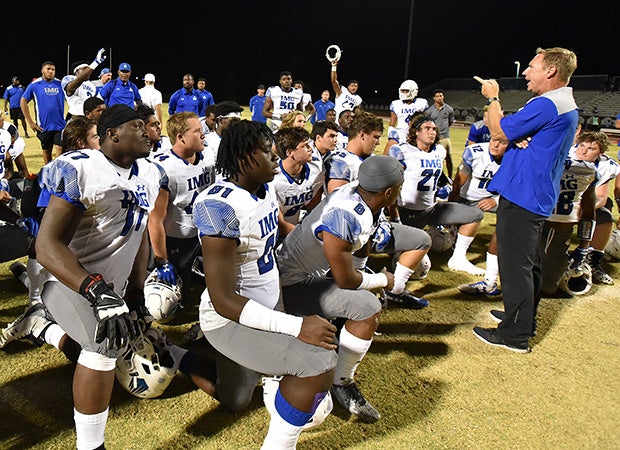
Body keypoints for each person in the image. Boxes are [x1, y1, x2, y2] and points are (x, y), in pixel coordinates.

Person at [192, 119, 338, 448]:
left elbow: (275, 230)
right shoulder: (219, 206)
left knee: (247, 394)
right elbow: (223, 300)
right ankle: (176, 356)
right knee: (240, 398)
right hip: (230, 319)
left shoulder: (264, 187)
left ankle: (274, 376)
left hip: (268, 301)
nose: (275, 159)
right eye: (266, 152)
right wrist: (295, 325)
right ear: (245, 157)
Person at [32, 104, 166, 449]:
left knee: (132, 334)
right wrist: (95, 289)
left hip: (109, 288)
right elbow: (46, 246)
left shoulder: (150, 174)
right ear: (112, 134)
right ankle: (90, 446)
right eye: (139, 126)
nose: (149, 131)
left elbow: (137, 238)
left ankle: (40, 328)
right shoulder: (83, 168)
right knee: (105, 344)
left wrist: (135, 292)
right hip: (66, 279)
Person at [277, 155, 422, 423]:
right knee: (368, 308)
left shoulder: (364, 194)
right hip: (290, 284)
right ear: (389, 191)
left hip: (314, 273)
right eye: (399, 188)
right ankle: (341, 381)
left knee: (363, 294)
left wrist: (364, 273)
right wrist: (381, 280)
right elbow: (345, 280)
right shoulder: (344, 214)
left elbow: (362, 242)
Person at [472, 47, 579, 353]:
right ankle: (523, 318)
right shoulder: (561, 103)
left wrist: (493, 98)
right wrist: (515, 134)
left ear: (550, 71)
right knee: (528, 263)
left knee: (515, 266)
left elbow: (497, 130)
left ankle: (514, 335)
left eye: (532, 67)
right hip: (535, 192)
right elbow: (516, 134)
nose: (526, 72)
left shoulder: (548, 104)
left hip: (524, 195)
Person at [324, 111, 431, 309]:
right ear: (362, 134)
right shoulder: (341, 162)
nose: (378, 142)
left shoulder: (371, 159)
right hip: (353, 232)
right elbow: (338, 205)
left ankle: (395, 291)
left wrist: (395, 219)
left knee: (422, 245)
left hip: (377, 226)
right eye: (375, 137)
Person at [387, 112, 485, 276]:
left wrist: (443, 187)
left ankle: (458, 258)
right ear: (416, 132)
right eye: (427, 128)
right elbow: (391, 187)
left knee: (474, 214)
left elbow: (437, 176)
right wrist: (395, 218)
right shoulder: (402, 151)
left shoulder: (439, 151)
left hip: (431, 210)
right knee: (419, 267)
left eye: (434, 129)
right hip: (407, 213)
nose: (432, 131)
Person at [148, 111, 215, 304]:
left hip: (205, 233)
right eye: (196, 131)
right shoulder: (165, 168)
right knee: (175, 299)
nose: (203, 135)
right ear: (180, 137)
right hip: (177, 240)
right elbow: (155, 219)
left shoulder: (208, 156)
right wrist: (161, 259)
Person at [569, 131, 619, 285]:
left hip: (583, 203)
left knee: (604, 215)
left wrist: (582, 209)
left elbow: (601, 198)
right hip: (560, 202)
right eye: (582, 145)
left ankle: (593, 261)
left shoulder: (605, 165)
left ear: (601, 153)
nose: (583, 151)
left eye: (591, 149)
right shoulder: (566, 155)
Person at [272, 127, 323, 226]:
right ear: (290, 153)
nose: (310, 149)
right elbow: (280, 224)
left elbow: (314, 202)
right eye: (305, 146)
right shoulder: (273, 178)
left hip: (295, 226)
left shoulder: (316, 169)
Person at [20, 60, 66, 164]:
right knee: (47, 151)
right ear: (42, 71)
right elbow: (23, 101)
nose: (51, 72)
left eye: (53, 69)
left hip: (60, 125)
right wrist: (31, 122)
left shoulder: (60, 84)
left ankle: (57, 171)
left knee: (60, 149)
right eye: (48, 69)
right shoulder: (35, 85)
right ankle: (48, 172)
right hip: (44, 126)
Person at [382, 79, 428, 154]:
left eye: (406, 91)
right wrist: (391, 132)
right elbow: (392, 122)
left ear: (414, 91)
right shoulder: (396, 104)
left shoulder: (421, 103)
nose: (404, 93)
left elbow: (425, 120)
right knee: (386, 154)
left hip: (415, 133)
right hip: (400, 133)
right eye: (402, 91)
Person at [61, 48, 107, 119]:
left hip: (89, 117)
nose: (89, 71)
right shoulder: (69, 78)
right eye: (85, 69)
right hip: (76, 117)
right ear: (77, 71)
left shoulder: (91, 85)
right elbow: (72, 87)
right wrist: (95, 63)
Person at [203, 101, 243, 171]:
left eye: (238, 121)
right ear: (220, 120)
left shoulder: (242, 141)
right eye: (233, 121)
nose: (237, 124)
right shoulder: (208, 142)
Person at [425, 89, 455, 177]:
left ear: (443, 97)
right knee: (436, 159)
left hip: (445, 137)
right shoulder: (429, 111)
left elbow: (450, 121)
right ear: (434, 98)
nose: (439, 98)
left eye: (441, 96)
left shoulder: (449, 109)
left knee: (449, 158)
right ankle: (438, 177)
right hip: (434, 138)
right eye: (437, 96)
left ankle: (450, 177)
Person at [329, 55, 362, 125]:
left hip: (347, 122)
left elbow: (357, 111)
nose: (354, 87)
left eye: (355, 86)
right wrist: (334, 67)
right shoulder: (342, 91)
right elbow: (334, 81)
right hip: (336, 119)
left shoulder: (358, 99)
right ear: (348, 87)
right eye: (352, 86)